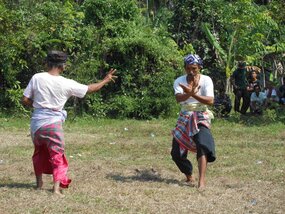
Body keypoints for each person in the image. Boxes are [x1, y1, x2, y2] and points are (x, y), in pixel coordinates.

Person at [22, 50, 117, 197]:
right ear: (63, 66)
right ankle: (55, 189)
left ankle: (39, 184)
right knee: (57, 155)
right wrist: (105, 80)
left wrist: (39, 106)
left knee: (39, 152)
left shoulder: (37, 77)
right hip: (53, 124)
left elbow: (25, 100)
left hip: (36, 125)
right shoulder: (67, 83)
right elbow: (89, 89)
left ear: (47, 63)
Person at [171, 54, 216, 189]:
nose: (191, 72)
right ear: (185, 68)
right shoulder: (179, 81)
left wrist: (192, 93)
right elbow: (179, 99)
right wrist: (190, 92)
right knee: (176, 153)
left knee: (203, 144)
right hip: (185, 116)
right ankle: (189, 174)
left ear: (200, 68)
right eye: (188, 68)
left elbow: (210, 101)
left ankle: (201, 181)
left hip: (201, 115)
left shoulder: (206, 80)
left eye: (194, 68)